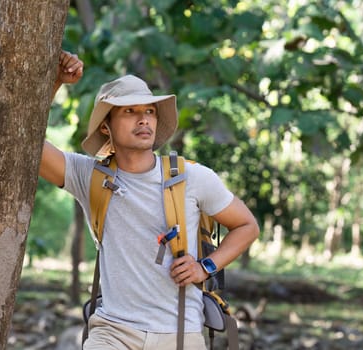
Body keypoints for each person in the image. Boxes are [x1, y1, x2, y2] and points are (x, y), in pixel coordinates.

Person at [40, 51, 260, 350]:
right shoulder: (88, 175)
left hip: (180, 334)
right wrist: (55, 83)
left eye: (150, 111)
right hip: (112, 331)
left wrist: (205, 266)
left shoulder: (193, 178)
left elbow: (247, 225)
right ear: (106, 126)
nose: (144, 119)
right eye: (129, 111)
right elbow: (30, 143)